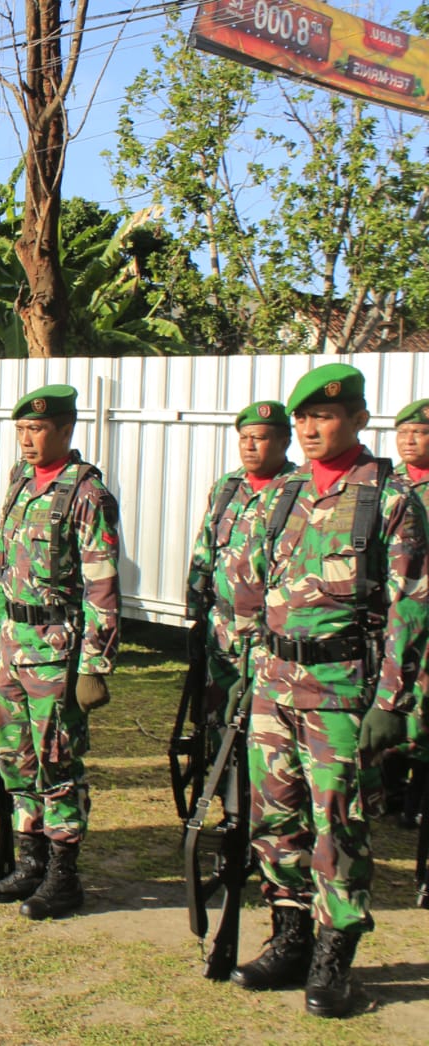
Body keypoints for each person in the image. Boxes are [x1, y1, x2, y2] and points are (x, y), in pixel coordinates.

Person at [226, 364, 428, 1017]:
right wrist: (244, 668)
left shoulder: (390, 500)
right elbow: (247, 589)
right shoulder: (281, 495)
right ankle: (289, 938)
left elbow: (413, 609)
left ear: (360, 419)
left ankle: (333, 960)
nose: (312, 429)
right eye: (304, 419)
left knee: (338, 827)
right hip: (272, 688)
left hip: (342, 694)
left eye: (327, 417)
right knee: (274, 819)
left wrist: (395, 703)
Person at [0, 384, 121, 919]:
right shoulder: (19, 483)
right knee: (14, 759)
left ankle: (64, 875)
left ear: (66, 429)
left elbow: (103, 585)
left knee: (56, 763)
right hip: (13, 647)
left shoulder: (86, 495)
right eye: (21, 431)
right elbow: (1, 568)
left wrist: (95, 666)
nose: (27, 440)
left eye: (36, 430)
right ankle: (29, 863)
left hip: (56, 653)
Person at [184, 401, 295, 767]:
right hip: (222, 631)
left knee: (264, 728)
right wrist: (195, 614)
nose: (249, 446)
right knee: (217, 718)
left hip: (267, 637)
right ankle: (228, 803)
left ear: (284, 441)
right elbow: (204, 550)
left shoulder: (296, 493)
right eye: (244, 438)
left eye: (260, 438)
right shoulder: (227, 488)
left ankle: (254, 807)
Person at [387, 398, 429, 825]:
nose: (410, 440)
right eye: (404, 433)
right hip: (401, 618)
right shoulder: (389, 488)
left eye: (419, 432)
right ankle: (392, 787)